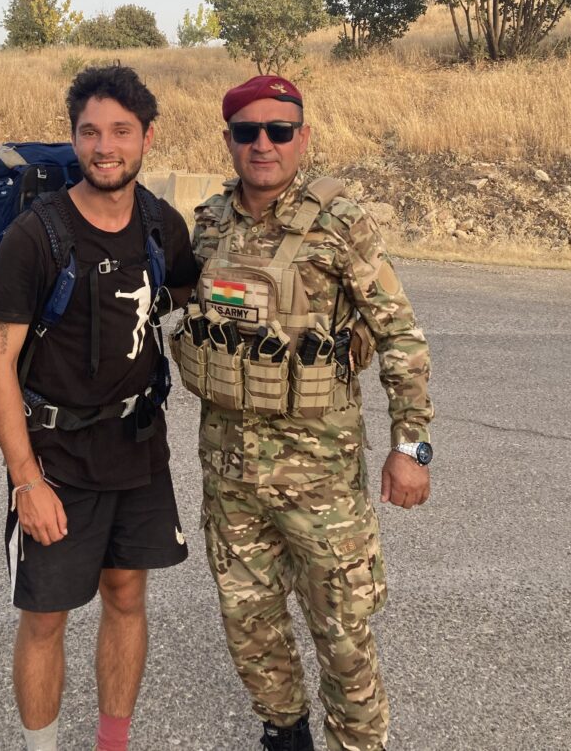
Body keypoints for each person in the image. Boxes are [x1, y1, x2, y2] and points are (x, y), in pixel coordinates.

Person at [180, 74, 433, 751]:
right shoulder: (210, 224)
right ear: (229, 139)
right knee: (249, 626)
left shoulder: (341, 222)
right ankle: (284, 734)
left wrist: (411, 446)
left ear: (303, 137)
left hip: (321, 479)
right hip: (230, 474)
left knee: (343, 635)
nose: (263, 144)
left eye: (279, 130)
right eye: (247, 131)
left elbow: (401, 335)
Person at [0, 64, 197, 751]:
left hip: (138, 449)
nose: (106, 147)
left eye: (121, 131)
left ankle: (112, 743)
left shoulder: (162, 224)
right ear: (74, 138)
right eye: (91, 132)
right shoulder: (36, 237)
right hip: (56, 459)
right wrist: (26, 479)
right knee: (46, 617)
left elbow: (189, 292)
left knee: (127, 596)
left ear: (147, 138)